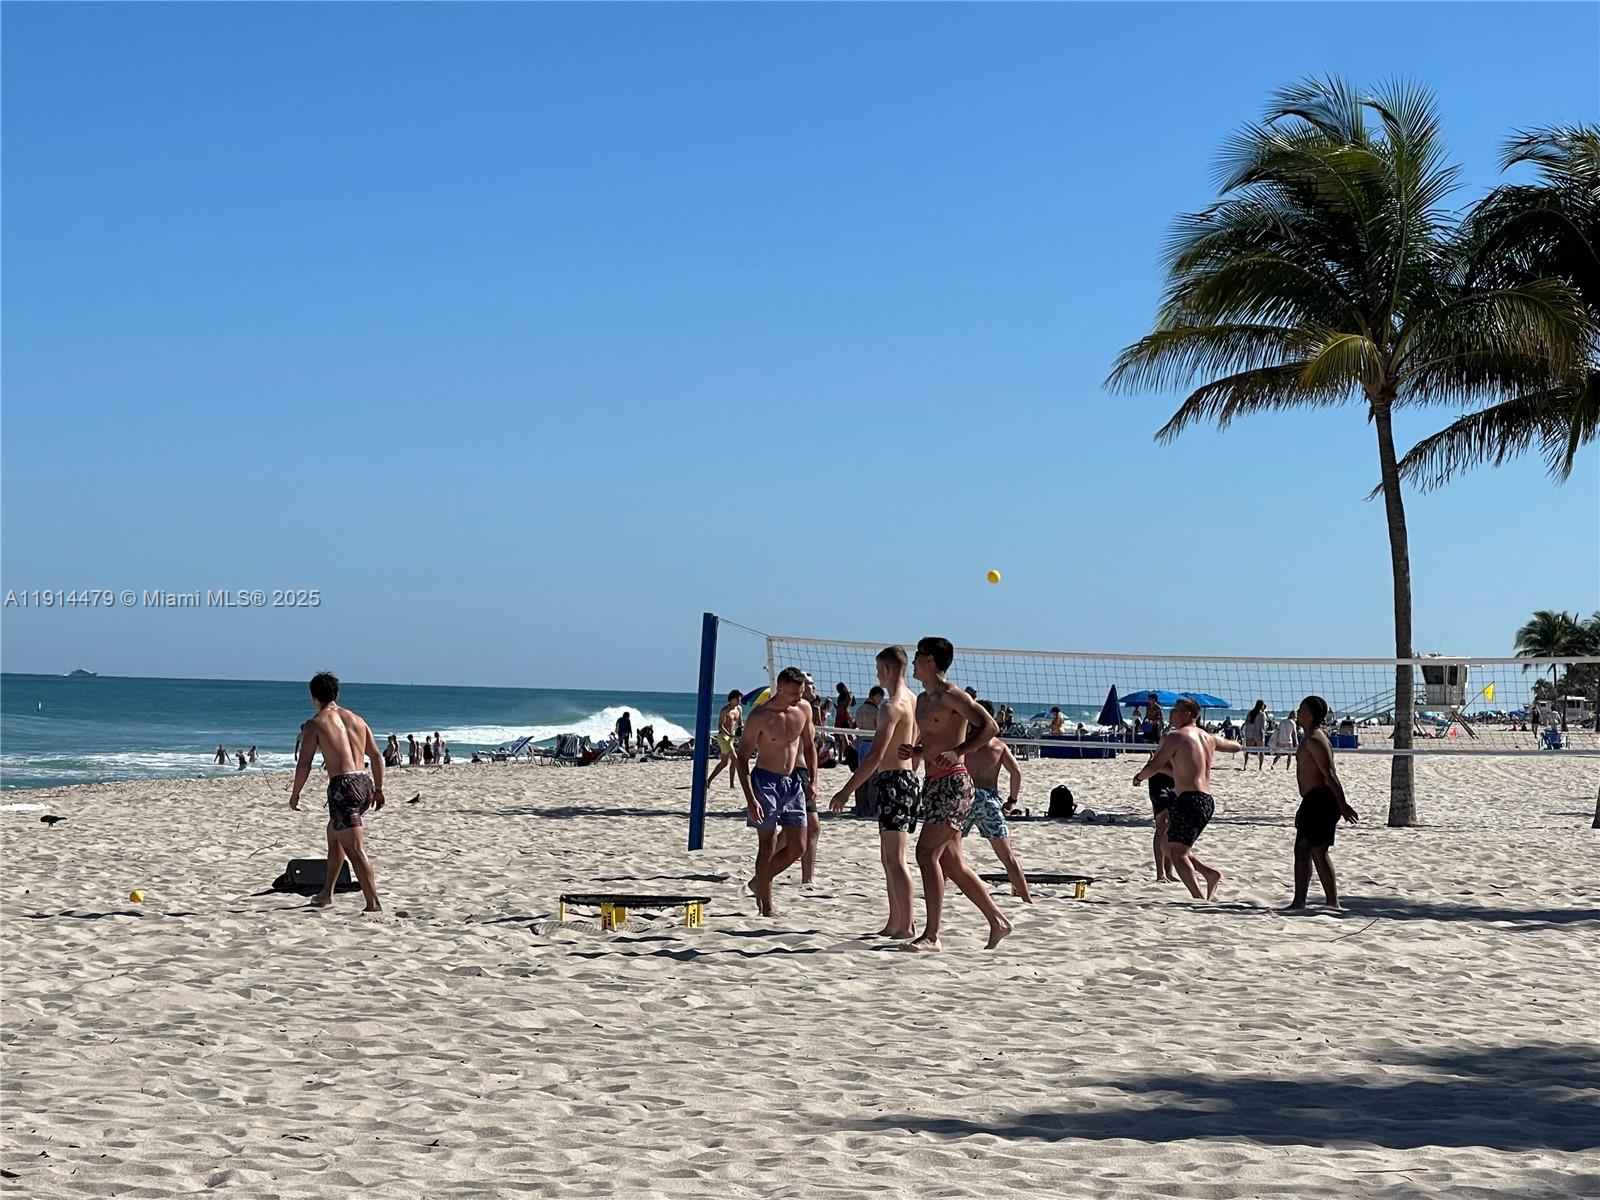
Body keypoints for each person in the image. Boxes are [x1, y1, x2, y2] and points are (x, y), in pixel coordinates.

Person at [899, 636, 1013, 951]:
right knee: (951, 863)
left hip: (954, 783)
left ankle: (932, 936)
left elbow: (990, 726)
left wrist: (959, 750)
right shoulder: (922, 700)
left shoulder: (953, 696)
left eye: (918, 655)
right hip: (933, 782)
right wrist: (917, 750)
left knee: (925, 854)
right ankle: (998, 922)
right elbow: (936, 743)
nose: (913, 661)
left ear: (931, 661)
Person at [829, 647, 920, 939]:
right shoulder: (914, 700)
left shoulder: (891, 705)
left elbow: (875, 755)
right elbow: (915, 746)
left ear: (889, 669)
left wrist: (845, 791)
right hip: (903, 778)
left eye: (879, 667)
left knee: (895, 858)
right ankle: (896, 921)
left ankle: (906, 924)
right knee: (888, 857)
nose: (876, 673)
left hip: (894, 780)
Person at [289, 671, 385, 912]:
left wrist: (296, 793)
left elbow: (304, 763)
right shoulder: (357, 719)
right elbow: (375, 755)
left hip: (344, 788)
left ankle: (373, 903)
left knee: (354, 848)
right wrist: (379, 789)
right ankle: (326, 893)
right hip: (364, 782)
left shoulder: (316, 723)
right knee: (334, 835)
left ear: (313, 696)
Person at [1132, 697, 1241, 900]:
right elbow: (1235, 747)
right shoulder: (1207, 737)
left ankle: (1198, 898)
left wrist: (1139, 777)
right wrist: (1234, 742)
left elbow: (1154, 766)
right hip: (1206, 801)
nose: (1172, 713)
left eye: (1176, 710)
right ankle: (1209, 874)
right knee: (1167, 844)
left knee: (1178, 853)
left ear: (1189, 713)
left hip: (1190, 800)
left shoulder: (1176, 736)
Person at [735, 667, 816, 917]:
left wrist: (814, 780)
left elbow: (810, 745)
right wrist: (750, 799)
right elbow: (742, 758)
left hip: (792, 783)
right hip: (765, 782)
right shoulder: (760, 716)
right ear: (779, 688)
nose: (798, 698)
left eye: (801, 693)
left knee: (798, 846)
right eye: (793, 693)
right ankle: (767, 907)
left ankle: (760, 880)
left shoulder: (804, 710)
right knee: (766, 847)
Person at [1291, 695, 1359, 909]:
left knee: (1318, 851)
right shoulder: (1309, 737)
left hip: (1322, 799)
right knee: (1303, 850)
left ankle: (1332, 902)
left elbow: (1330, 775)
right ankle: (1299, 901)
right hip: (1312, 800)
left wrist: (1343, 804)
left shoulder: (1315, 740)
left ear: (1310, 715)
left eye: (1301, 709)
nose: (1298, 712)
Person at [963, 700, 1032, 903]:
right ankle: (1026, 898)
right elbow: (1016, 773)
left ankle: (938, 893)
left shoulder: (963, 742)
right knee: (1007, 857)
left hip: (965, 797)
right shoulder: (998, 746)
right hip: (988, 801)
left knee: (950, 854)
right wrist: (1012, 800)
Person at [852, 685, 884, 815]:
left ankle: (860, 806)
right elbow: (879, 728)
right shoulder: (876, 711)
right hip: (872, 743)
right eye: (880, 698)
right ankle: (871, 807)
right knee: (873, 777)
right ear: (876, 696)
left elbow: (857, 726)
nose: (881, 700)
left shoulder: (859, 709)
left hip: (861, 743)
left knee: (861, 775)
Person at [706, 691, 745, 789]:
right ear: (733, 699)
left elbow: (740, 722)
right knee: (735, 759)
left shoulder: (739, 709)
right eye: (738, 699)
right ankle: (731, 784)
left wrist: (741, 730)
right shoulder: (725, 710)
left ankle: (709, 781)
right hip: (723, 737)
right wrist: (729, 735)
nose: (740, 701)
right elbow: (720, 726)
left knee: (724, 763)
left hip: (731, 738)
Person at [1241, 700, 1268, 771]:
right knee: (1261, 751)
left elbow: (1246, 723)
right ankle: (1260, 767)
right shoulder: (1262, 714)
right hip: (1258, 734)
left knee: (1248, 750)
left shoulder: (1250, 713)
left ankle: (1245, 765)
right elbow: (1262, 727)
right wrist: (1262, 736)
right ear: (1262, 706)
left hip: (1249, 733)